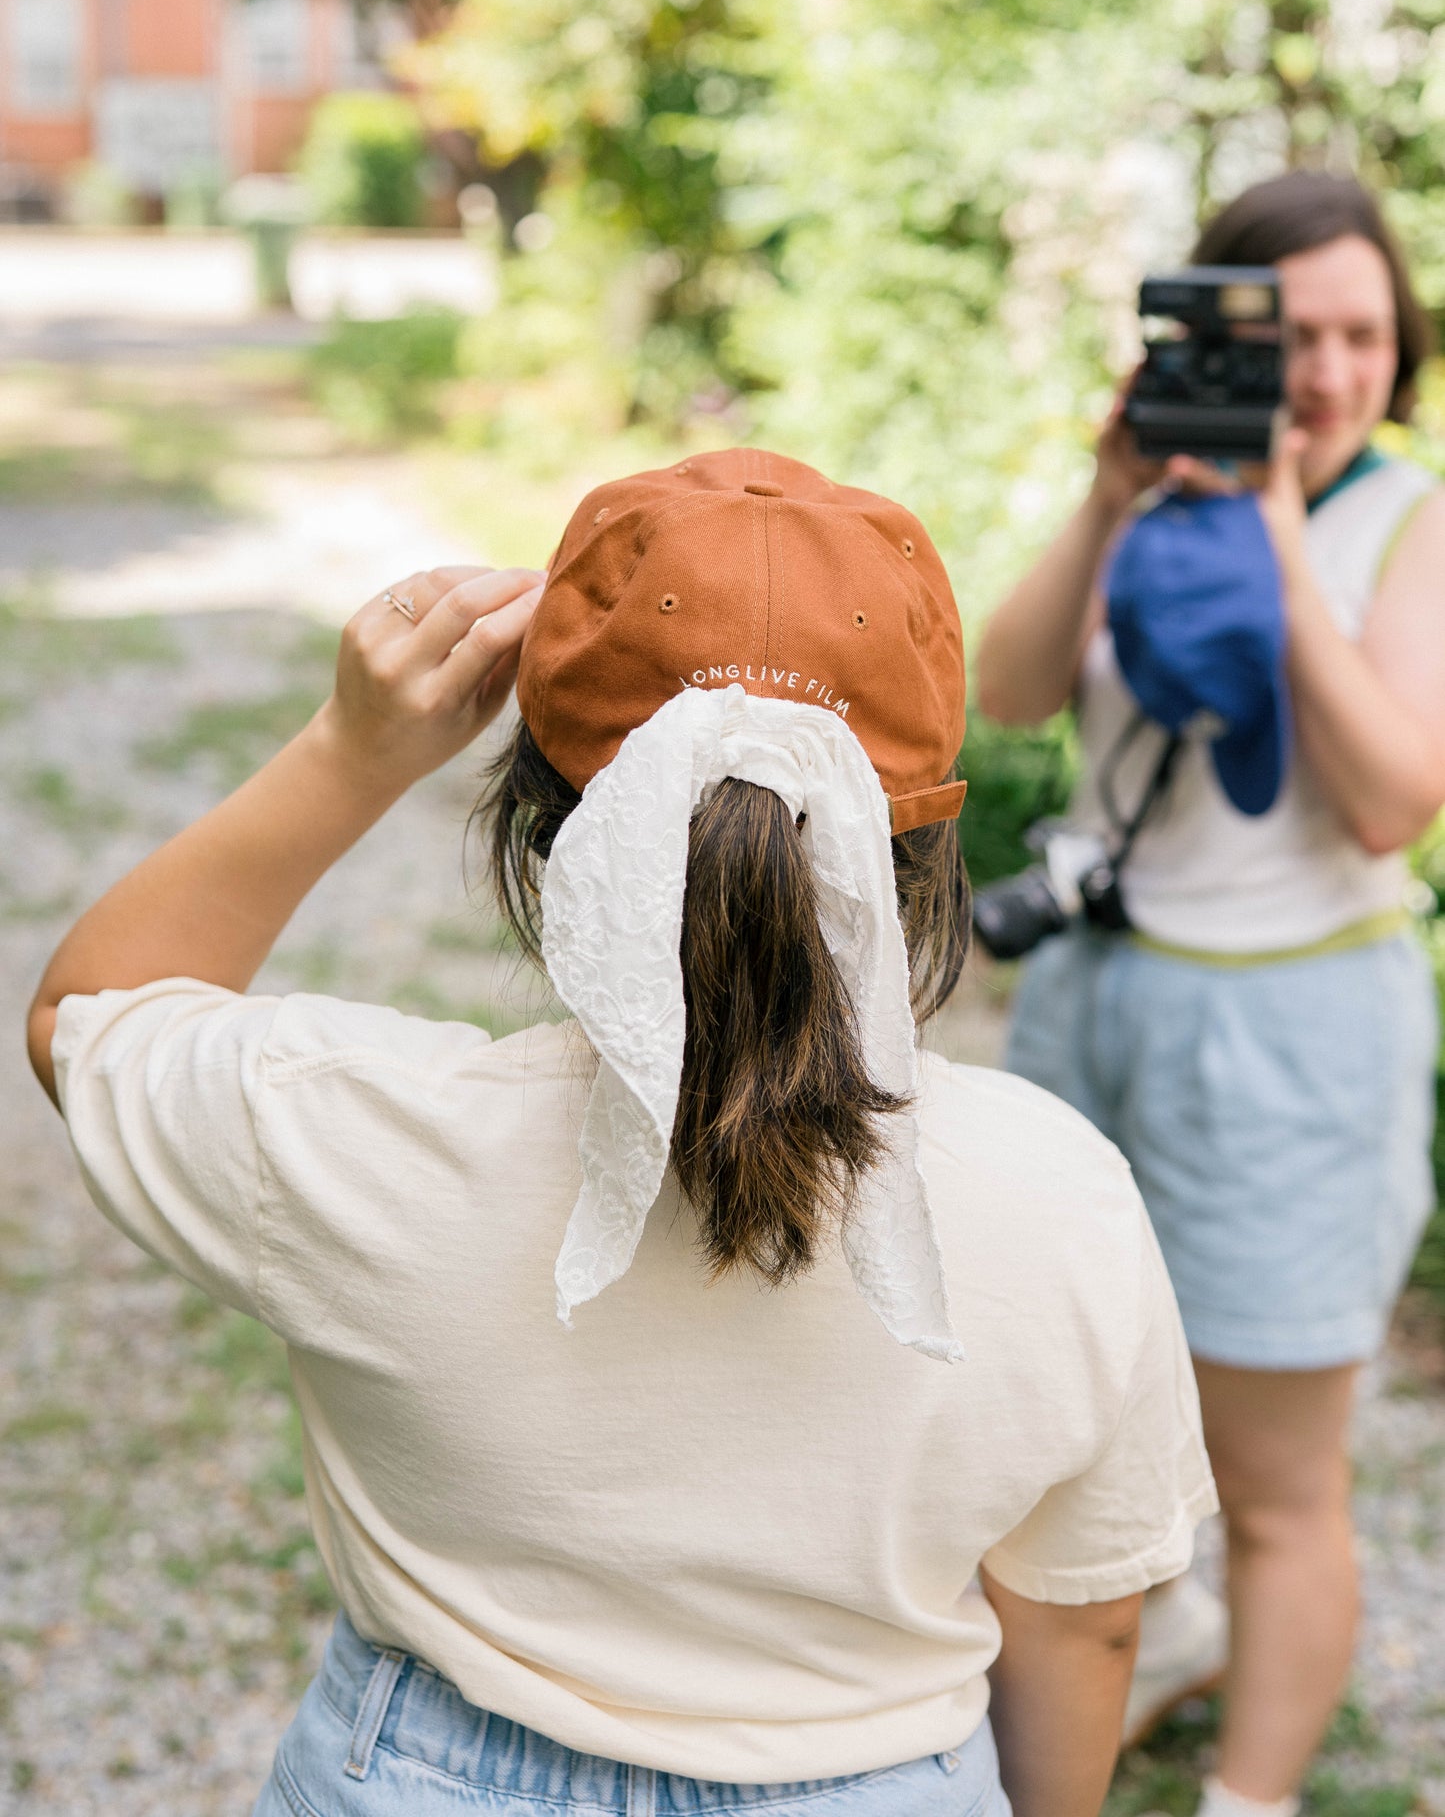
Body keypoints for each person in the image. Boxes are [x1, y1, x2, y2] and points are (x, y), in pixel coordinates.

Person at [27, 449, 1214, 1817]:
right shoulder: (1060, 1195)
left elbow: (88, 1013)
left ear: (532, 824)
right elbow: (1086, 1624)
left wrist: (353, 751)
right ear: (925, 850)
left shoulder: (355, 1129)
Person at [975, 174, 1445, 1817]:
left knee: (1273, 1485)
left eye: (1361, 335)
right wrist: (1108, 498)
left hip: (1291, 1034)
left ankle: (1252, 1797)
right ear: (1213, 344)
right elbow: (1007, 692)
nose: (1326, 372)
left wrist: (1277, 544)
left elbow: (1390, 802)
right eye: (1288, 336)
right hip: (1093, 1004)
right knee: (1057, 1421)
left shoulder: (1407, 519)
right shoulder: (1156, 494)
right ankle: (1148, 1648)